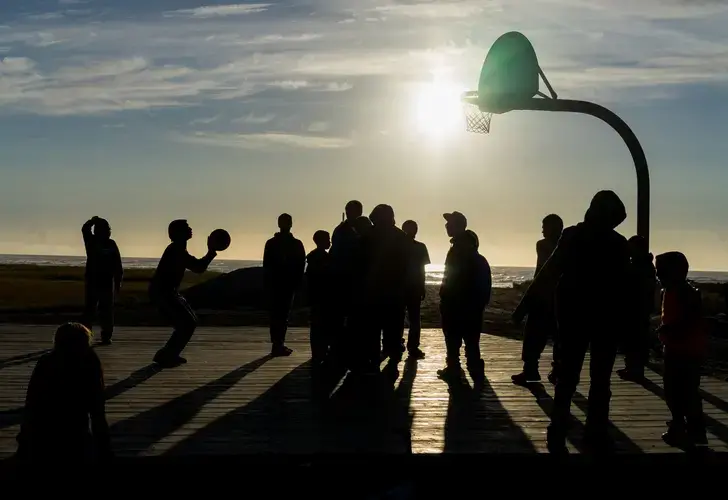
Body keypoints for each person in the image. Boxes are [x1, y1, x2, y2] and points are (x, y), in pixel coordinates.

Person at [518, 191, 631, 454]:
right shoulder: (616, 243)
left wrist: (524, 306)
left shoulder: (573, 236)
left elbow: (548, 273)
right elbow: (624, 286)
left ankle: (560, 428)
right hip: (599, 318)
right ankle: (592, 431)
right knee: (595, 379)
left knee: (570, 376)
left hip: (576, 317)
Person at [16, 323, 111, 463]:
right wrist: (105, 448)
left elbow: (32, 405)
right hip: (76, 435)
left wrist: (24, 441)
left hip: (43, 436)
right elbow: (97, 413)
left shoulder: (47, 362)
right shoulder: (90, 363)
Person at [655, 251, 708, 448]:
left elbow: (689, 319)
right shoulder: (670, 291)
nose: (658, 275)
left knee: (682, 391)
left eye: (661, 271)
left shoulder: (686, 293)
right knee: (675, 390)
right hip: (675, 347)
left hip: (685, 349)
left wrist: (669, 328)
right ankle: (683, 425)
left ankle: (692, 430)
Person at [149, 219, 217, 368]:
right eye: (186, 227)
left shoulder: (178, 249)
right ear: (178, 233)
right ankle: (167, 354)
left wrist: (211, 252)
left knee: (189, 322)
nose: (190, 229)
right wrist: (211, 252)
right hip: (164, 293)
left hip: (169, 292)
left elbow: (197, 267)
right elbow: (198, 267)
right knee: (187, 323)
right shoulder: (176, 250)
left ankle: (169, 353)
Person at [437, 213, 490, 384]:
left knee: (456, 340)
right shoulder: (471, 254)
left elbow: (452, 278)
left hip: (459, 305)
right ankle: (472, 368)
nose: (446, 226)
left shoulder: (459, 252)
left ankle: (456, 368)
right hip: (466, 305)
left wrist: (446, 297)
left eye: (450, 223)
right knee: (470, 341)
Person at [512, 214, 563, 385]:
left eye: (544, 226)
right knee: (558, 338)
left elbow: (541, 273)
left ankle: (532, 370)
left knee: (534, 335)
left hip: (544, 298)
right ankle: (555, 371)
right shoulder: (565, 246)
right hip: (558, 299)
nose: (542, 230)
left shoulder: (544, 246)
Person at [362, 204, 410, 363]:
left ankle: (374, 358)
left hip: (374, 289)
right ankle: (393, 355)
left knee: (373, 328)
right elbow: (407, 266)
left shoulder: (368, 235)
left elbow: (359, 263)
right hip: (394, 290)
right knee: (393, 326)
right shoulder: (401, 236)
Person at [264, 213, 306, 357]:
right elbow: (301, 265)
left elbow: (267, 266)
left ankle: (277, 344)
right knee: (281, 315)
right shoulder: (295, 244)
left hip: (279, 284)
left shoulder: (272, 243)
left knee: (277, 315)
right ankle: (278, 344)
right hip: (285, 284)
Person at [618, 235, 657, 382]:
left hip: (637, 307)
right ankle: (632, 367)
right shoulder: (640, 264)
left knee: (636, 340)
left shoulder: (641, 266)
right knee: (632, 340)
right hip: (636, 306)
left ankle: (636, 369)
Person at [81, 216, 123, 345]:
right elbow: (85, 229)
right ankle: (85, 336)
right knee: (90, 309)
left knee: (106, 310)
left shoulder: (111, 244)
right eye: (105, 229)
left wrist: (118, 281)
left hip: (107, 281)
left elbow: (117, 264)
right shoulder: (91, 241)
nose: (108, 232)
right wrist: (93, 220)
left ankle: (106, 336)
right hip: (93, 280)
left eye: (108, 229)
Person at [401, 220, 431, 360]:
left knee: (407, 318)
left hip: (407, 287)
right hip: (407, 286)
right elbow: (421, 269)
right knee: (411, 318)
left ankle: (408, 345)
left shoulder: (416, 247)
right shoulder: (419, 247)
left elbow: (422, 270)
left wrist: (422, 286)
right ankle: (410, 346)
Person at [306, 230, 334, 365]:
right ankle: (321, 351)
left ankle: (317, 352)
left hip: (316, 296)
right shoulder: (325, 258)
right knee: (323, 324)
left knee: (317, 325)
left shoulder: (312, 257)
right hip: (324, 296)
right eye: (327, 239)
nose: (330, 242)